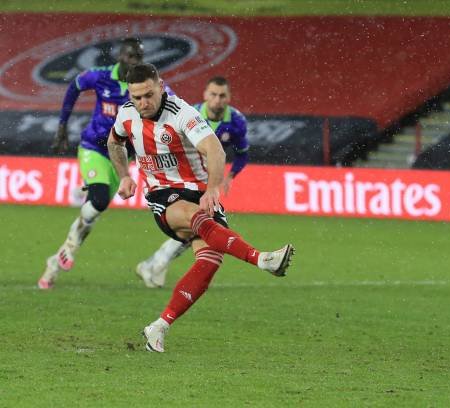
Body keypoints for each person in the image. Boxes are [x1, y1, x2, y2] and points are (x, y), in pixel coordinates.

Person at [107, 63, 294, 353]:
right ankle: (261, 259)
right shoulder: (127, 114)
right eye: (137, 97)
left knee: (208, 263)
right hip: (163, 194)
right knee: (194, 217)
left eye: (148, 95)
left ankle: (159, 327)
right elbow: (114, 142)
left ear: (160, 85)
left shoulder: (183, 113)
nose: (143, 103)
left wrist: (213, 188)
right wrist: (124, 176)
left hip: (198, 190)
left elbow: (215, 149)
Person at [37, 37, 186, 289]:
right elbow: (73, 87)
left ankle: (57, 259)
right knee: (99, 199)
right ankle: (68, 250)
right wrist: (62, 126)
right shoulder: (99, 76)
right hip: (93, 148)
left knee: (95, 210)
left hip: (120, 155)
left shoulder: (146, 86)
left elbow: (171, 100)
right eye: (130, 56)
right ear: (120, 57)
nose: (134, 61)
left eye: (138, 57)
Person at [136, 76, 249, 287]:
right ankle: (156, 264)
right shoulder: (190, 113)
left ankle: (154, 264)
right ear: (205, 95)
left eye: (222, 95)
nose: (217, 100)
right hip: (184, 177)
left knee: (202, 225)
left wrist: (230, 176)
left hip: (209, 178)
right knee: (202, 224)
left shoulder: (237, 122)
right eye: (213, 94)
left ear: (229, 98)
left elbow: (242, 154)